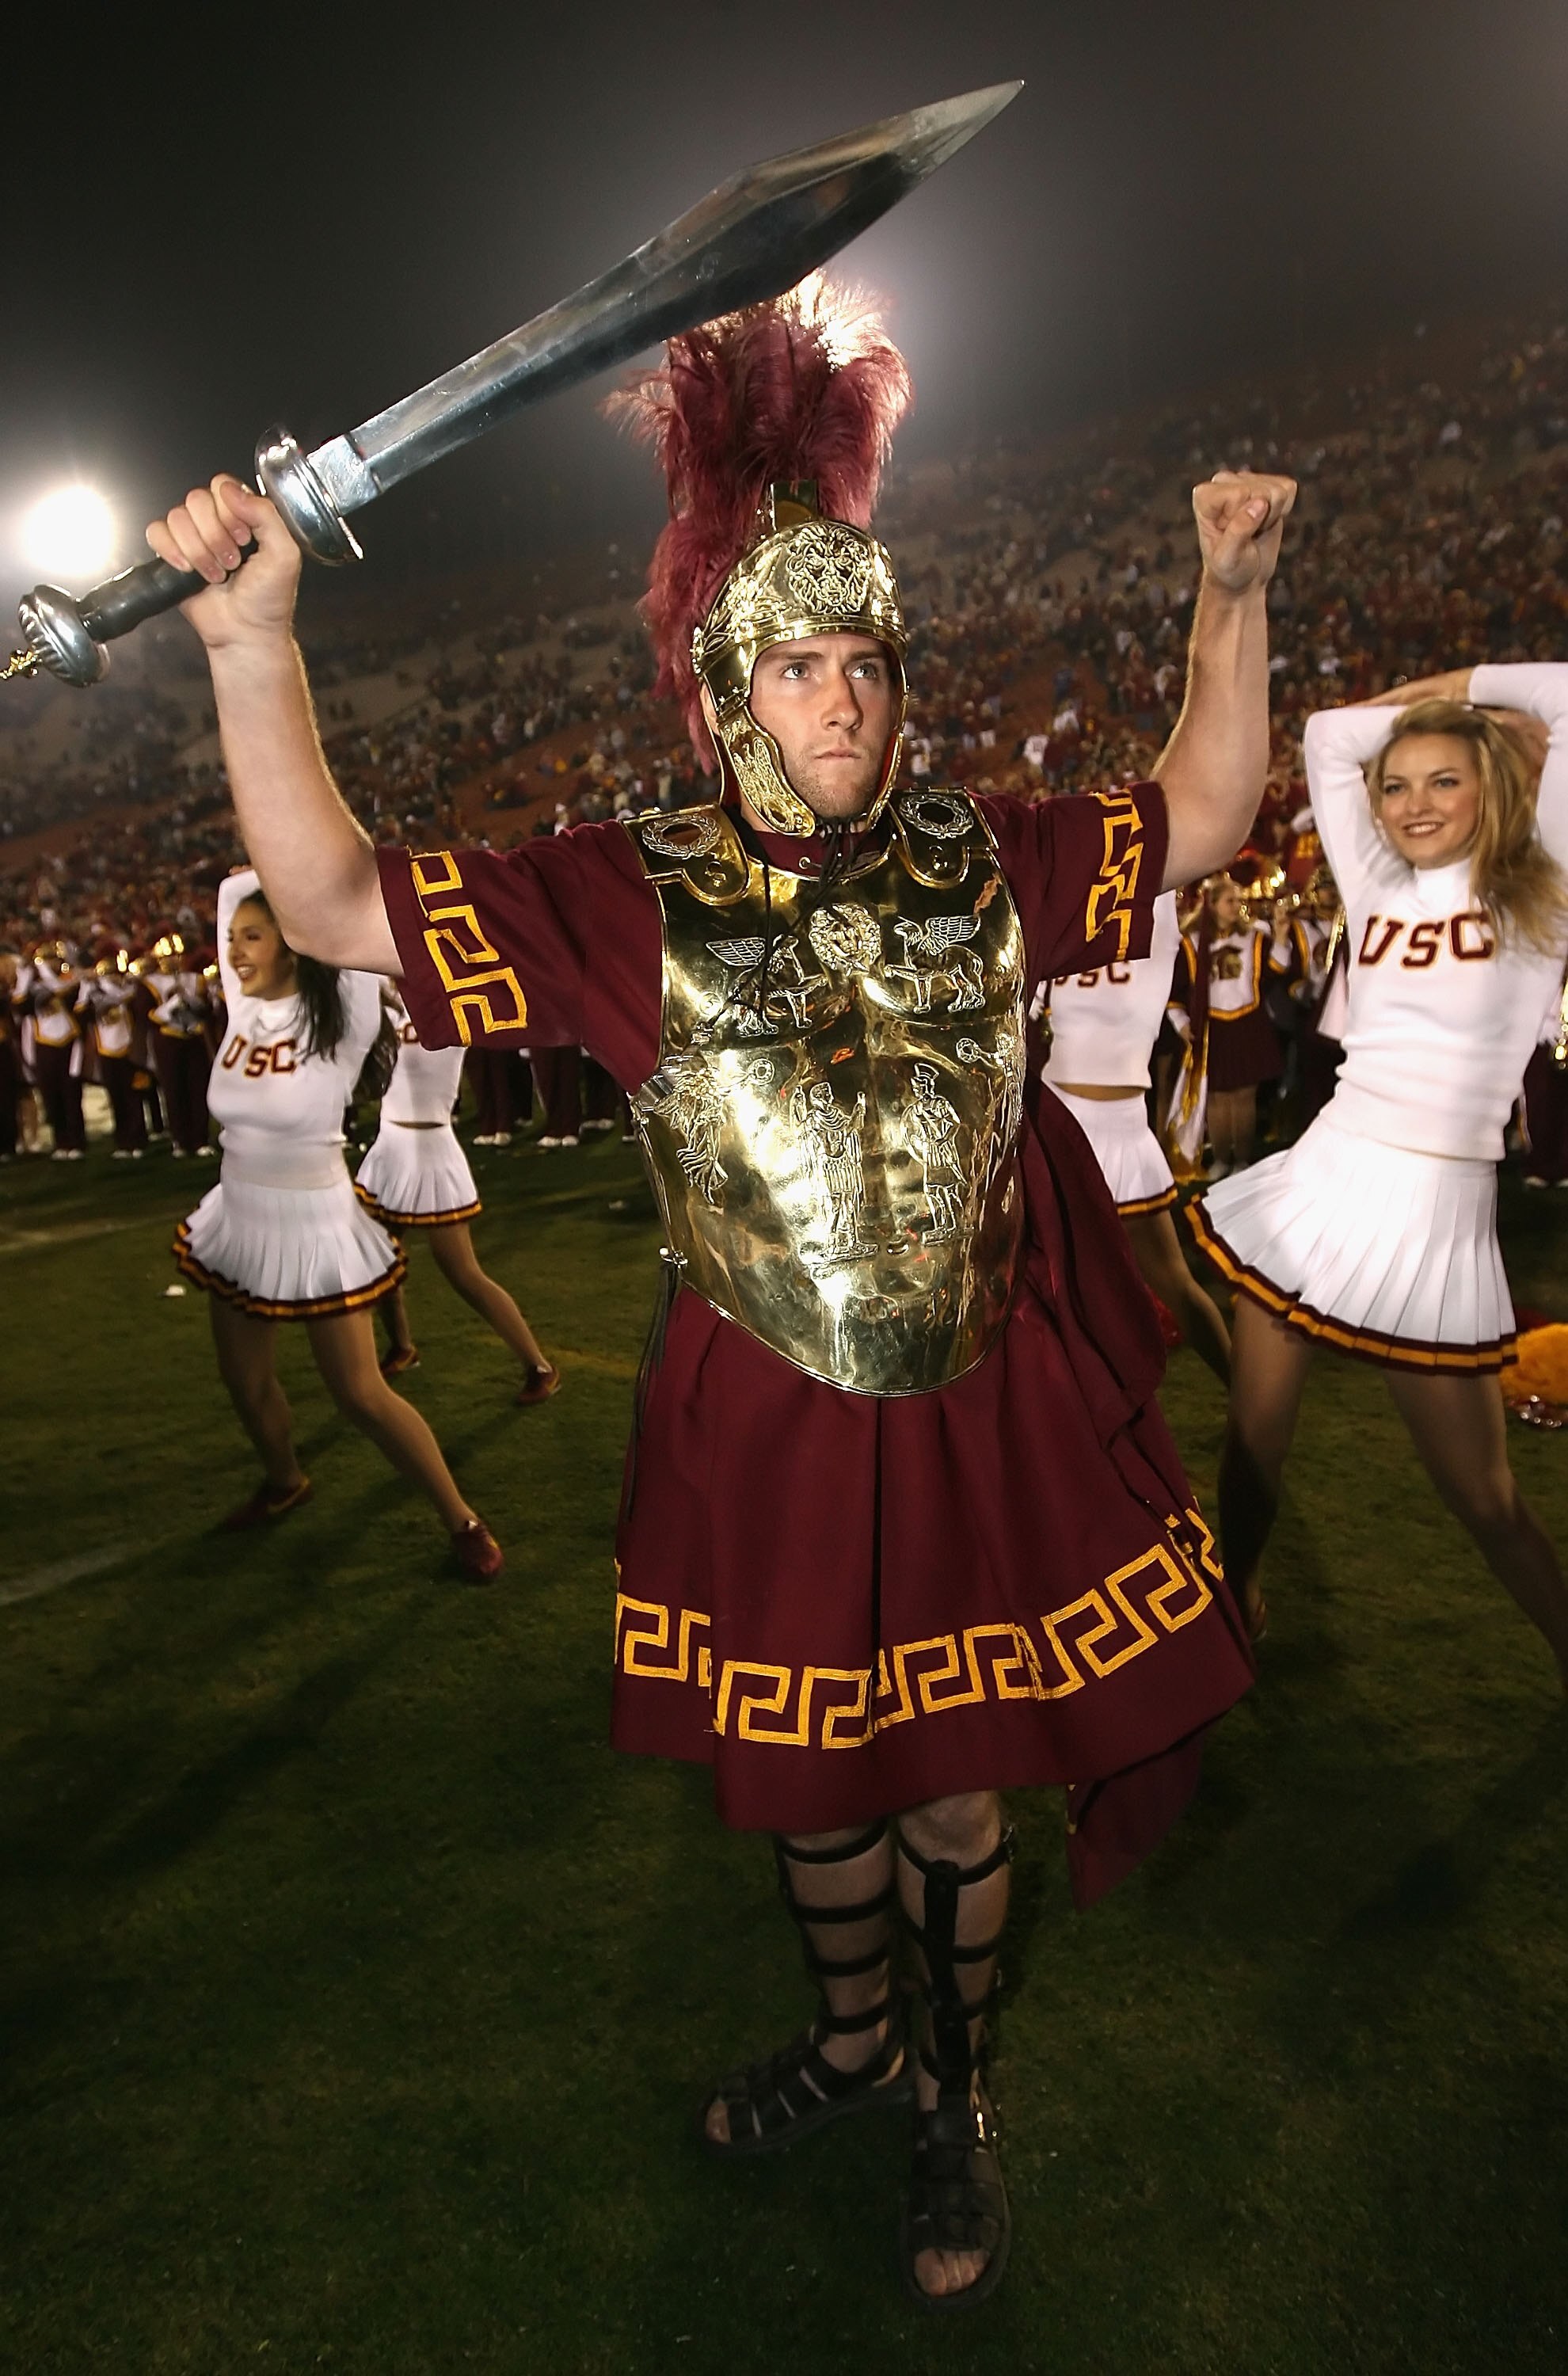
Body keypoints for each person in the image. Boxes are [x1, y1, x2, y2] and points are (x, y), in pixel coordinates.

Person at [146, 279, 1291, 2309]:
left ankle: (945, 2088)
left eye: (862, 661)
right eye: (795, 667)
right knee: (812, 1778)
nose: (836, 699)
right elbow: (329, 898)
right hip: (763, 1401)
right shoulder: (616, 885)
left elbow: (1201, 813)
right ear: (721, 689)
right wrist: (254, 643)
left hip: (971, 1397)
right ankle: (847, 2046)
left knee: (950, 1785)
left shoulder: (982, 847)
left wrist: (1228, 593)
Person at [1187, 667, 1568, 1676]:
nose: (1412, 806)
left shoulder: (1544, 891)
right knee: (1253, 1440)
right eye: (1395, 786)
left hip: (1436, 1227)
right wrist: (1429, 720)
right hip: (1319, 1193)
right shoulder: (1377, 882)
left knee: (1483, 1498)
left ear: (1490, 784)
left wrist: (1460, 694)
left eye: (1444, 782)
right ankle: (1242, 1601)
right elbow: (1324, 734)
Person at [176, 869, 504, 1577]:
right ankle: (283, 1477)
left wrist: (304, 874)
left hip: (315, 1218)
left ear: (292, 946)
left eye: (253, 939)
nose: (234, 951)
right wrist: (263, 884)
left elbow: (338, 907)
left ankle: (461, 1518)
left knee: (360, 1393)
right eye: (231, 941)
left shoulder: (341, 1018)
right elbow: (234, 889)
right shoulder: (245, 1007)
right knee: (243, 1377)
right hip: (238, 1213)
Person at [1040, 889, 1231, 1380]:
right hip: (1057, 1131)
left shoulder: (1155, 940)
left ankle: (1247, 1400)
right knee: (1047, 1291)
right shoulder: (1058, 942)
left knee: (1176, 1284)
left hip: (1122, 1130)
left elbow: (1162, 861)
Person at [358, 987, 560, 1401]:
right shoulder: (385, 1010)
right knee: (376, 1258)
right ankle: (402, 1346)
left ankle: (538, 1365)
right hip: (389, 1150)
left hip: (432, 1151)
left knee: (463, 1273)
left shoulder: (451, 1009)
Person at [1168, 874, 1287, 1177]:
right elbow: (1176, 992)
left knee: (1244, 1098)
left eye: (1239, 900)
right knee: (1217, 1099)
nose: (1237, 906)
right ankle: (1221, 1159)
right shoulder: (1191, 943)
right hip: (1212, 1029)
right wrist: (1181, 1024)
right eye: (1230, 901)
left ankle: (1242, 1161)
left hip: (1248, 1024)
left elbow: (1275, 973)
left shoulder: (1255, 938)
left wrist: (1283, 938)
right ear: (1212, 905)